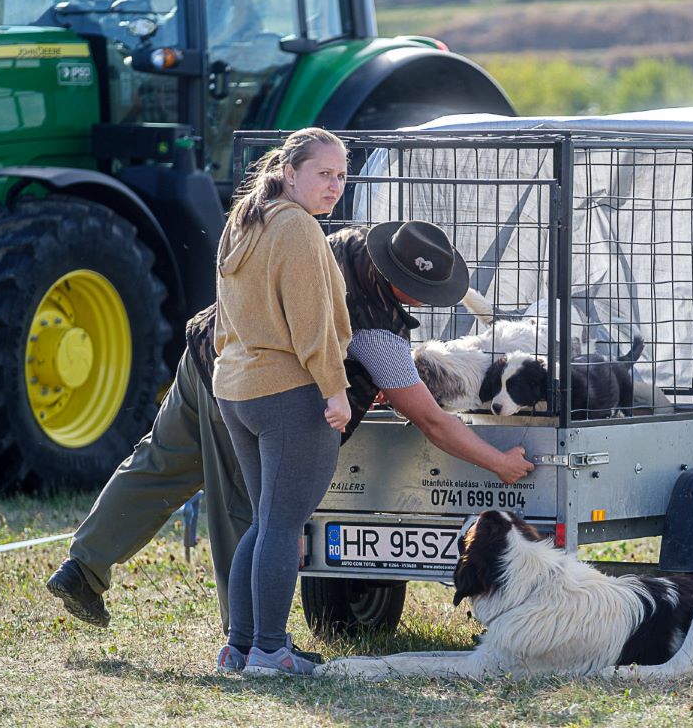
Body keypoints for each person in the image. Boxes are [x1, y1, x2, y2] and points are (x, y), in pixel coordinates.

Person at [45, 198, 535, 663]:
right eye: (422, 292)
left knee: (157, 463)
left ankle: (83, 567)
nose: (426, 304)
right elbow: (431, 420)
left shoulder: (342, 243)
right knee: (251, 508)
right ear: (395, 281)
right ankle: (253, 641)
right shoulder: (376, 330)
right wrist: (498, 462)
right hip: (258, 388)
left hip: (208, 350)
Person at [212, 126, 355, 676]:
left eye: (342, 175)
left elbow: (223, 314)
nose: (335, 185)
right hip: (289, 393)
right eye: (323, 173)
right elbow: (313, 323)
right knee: (281, 524)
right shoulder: (296, 227)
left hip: (237, 389)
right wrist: (335, 390)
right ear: (290, 172)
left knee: (264, 520)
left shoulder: (244, 220)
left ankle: (240, 647)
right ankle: (270, 652)